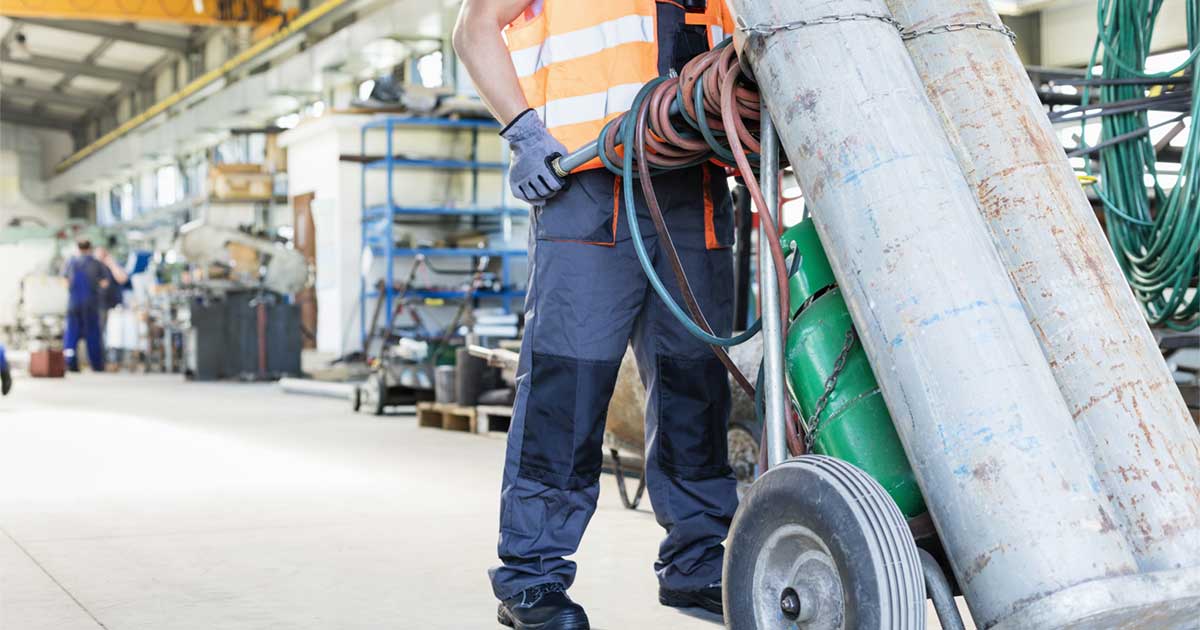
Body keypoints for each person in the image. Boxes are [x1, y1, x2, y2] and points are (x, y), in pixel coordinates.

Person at [454, 1, 738, 628]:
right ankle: (532, 578)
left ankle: (697, 562)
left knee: (697, 386)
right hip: (587, 181)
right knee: (568, 385)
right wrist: (523, 133)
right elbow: (473, 28)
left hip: (698, 189)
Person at [61, 239, 112, 372]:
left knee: (71, 336)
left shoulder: (70, 263)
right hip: (91, 305)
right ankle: (97, 365)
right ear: (90, 248)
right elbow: (105, 283)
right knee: (93, 336)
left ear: (77, 248)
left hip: (73, 305)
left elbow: (65, 282)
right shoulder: (97, 264)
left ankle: (70, 364)